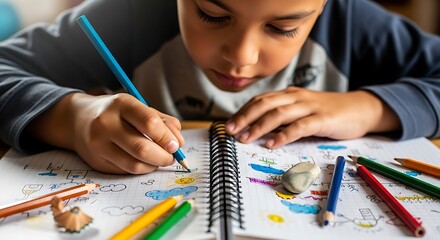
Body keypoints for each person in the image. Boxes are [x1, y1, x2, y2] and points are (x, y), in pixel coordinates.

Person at [0, 0, 439, 175]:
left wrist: (371, 107)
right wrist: (71, 117)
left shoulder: (353, 23)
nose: (242, 57)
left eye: (283, 27)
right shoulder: (128, 14)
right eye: (212, 14)